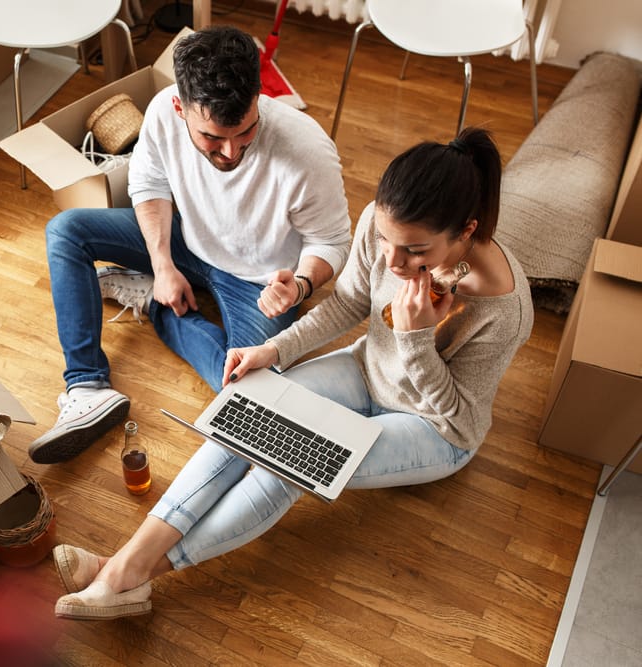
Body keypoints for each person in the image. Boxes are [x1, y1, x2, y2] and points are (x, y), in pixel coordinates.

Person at [48, 127, 534, 620]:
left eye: (415, 251)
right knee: (247, 418)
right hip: (368, 371)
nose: (393, 260)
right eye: (386, 240)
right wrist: (272, 350)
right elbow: (347, 303)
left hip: (436, 427)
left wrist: (413, 341)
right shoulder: (380, 225)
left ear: (466, 231)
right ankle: (124, 568)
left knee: (288, 463)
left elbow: (457, 412)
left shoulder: (505, 310)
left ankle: (129, 575)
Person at [29, 25, 352, 464]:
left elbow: (331, 240)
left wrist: (299, 285)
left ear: (258, 98)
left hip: (259, 283)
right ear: (181, 107)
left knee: (245, 396)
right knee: (67, 231)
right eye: (213, 139)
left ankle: (156, 303)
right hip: (186, 239)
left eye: (245, 133)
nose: (232, 153)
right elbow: (148, 182)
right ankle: (86, 387)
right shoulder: (163, 110)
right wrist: (162, 263)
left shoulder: (307, 150)